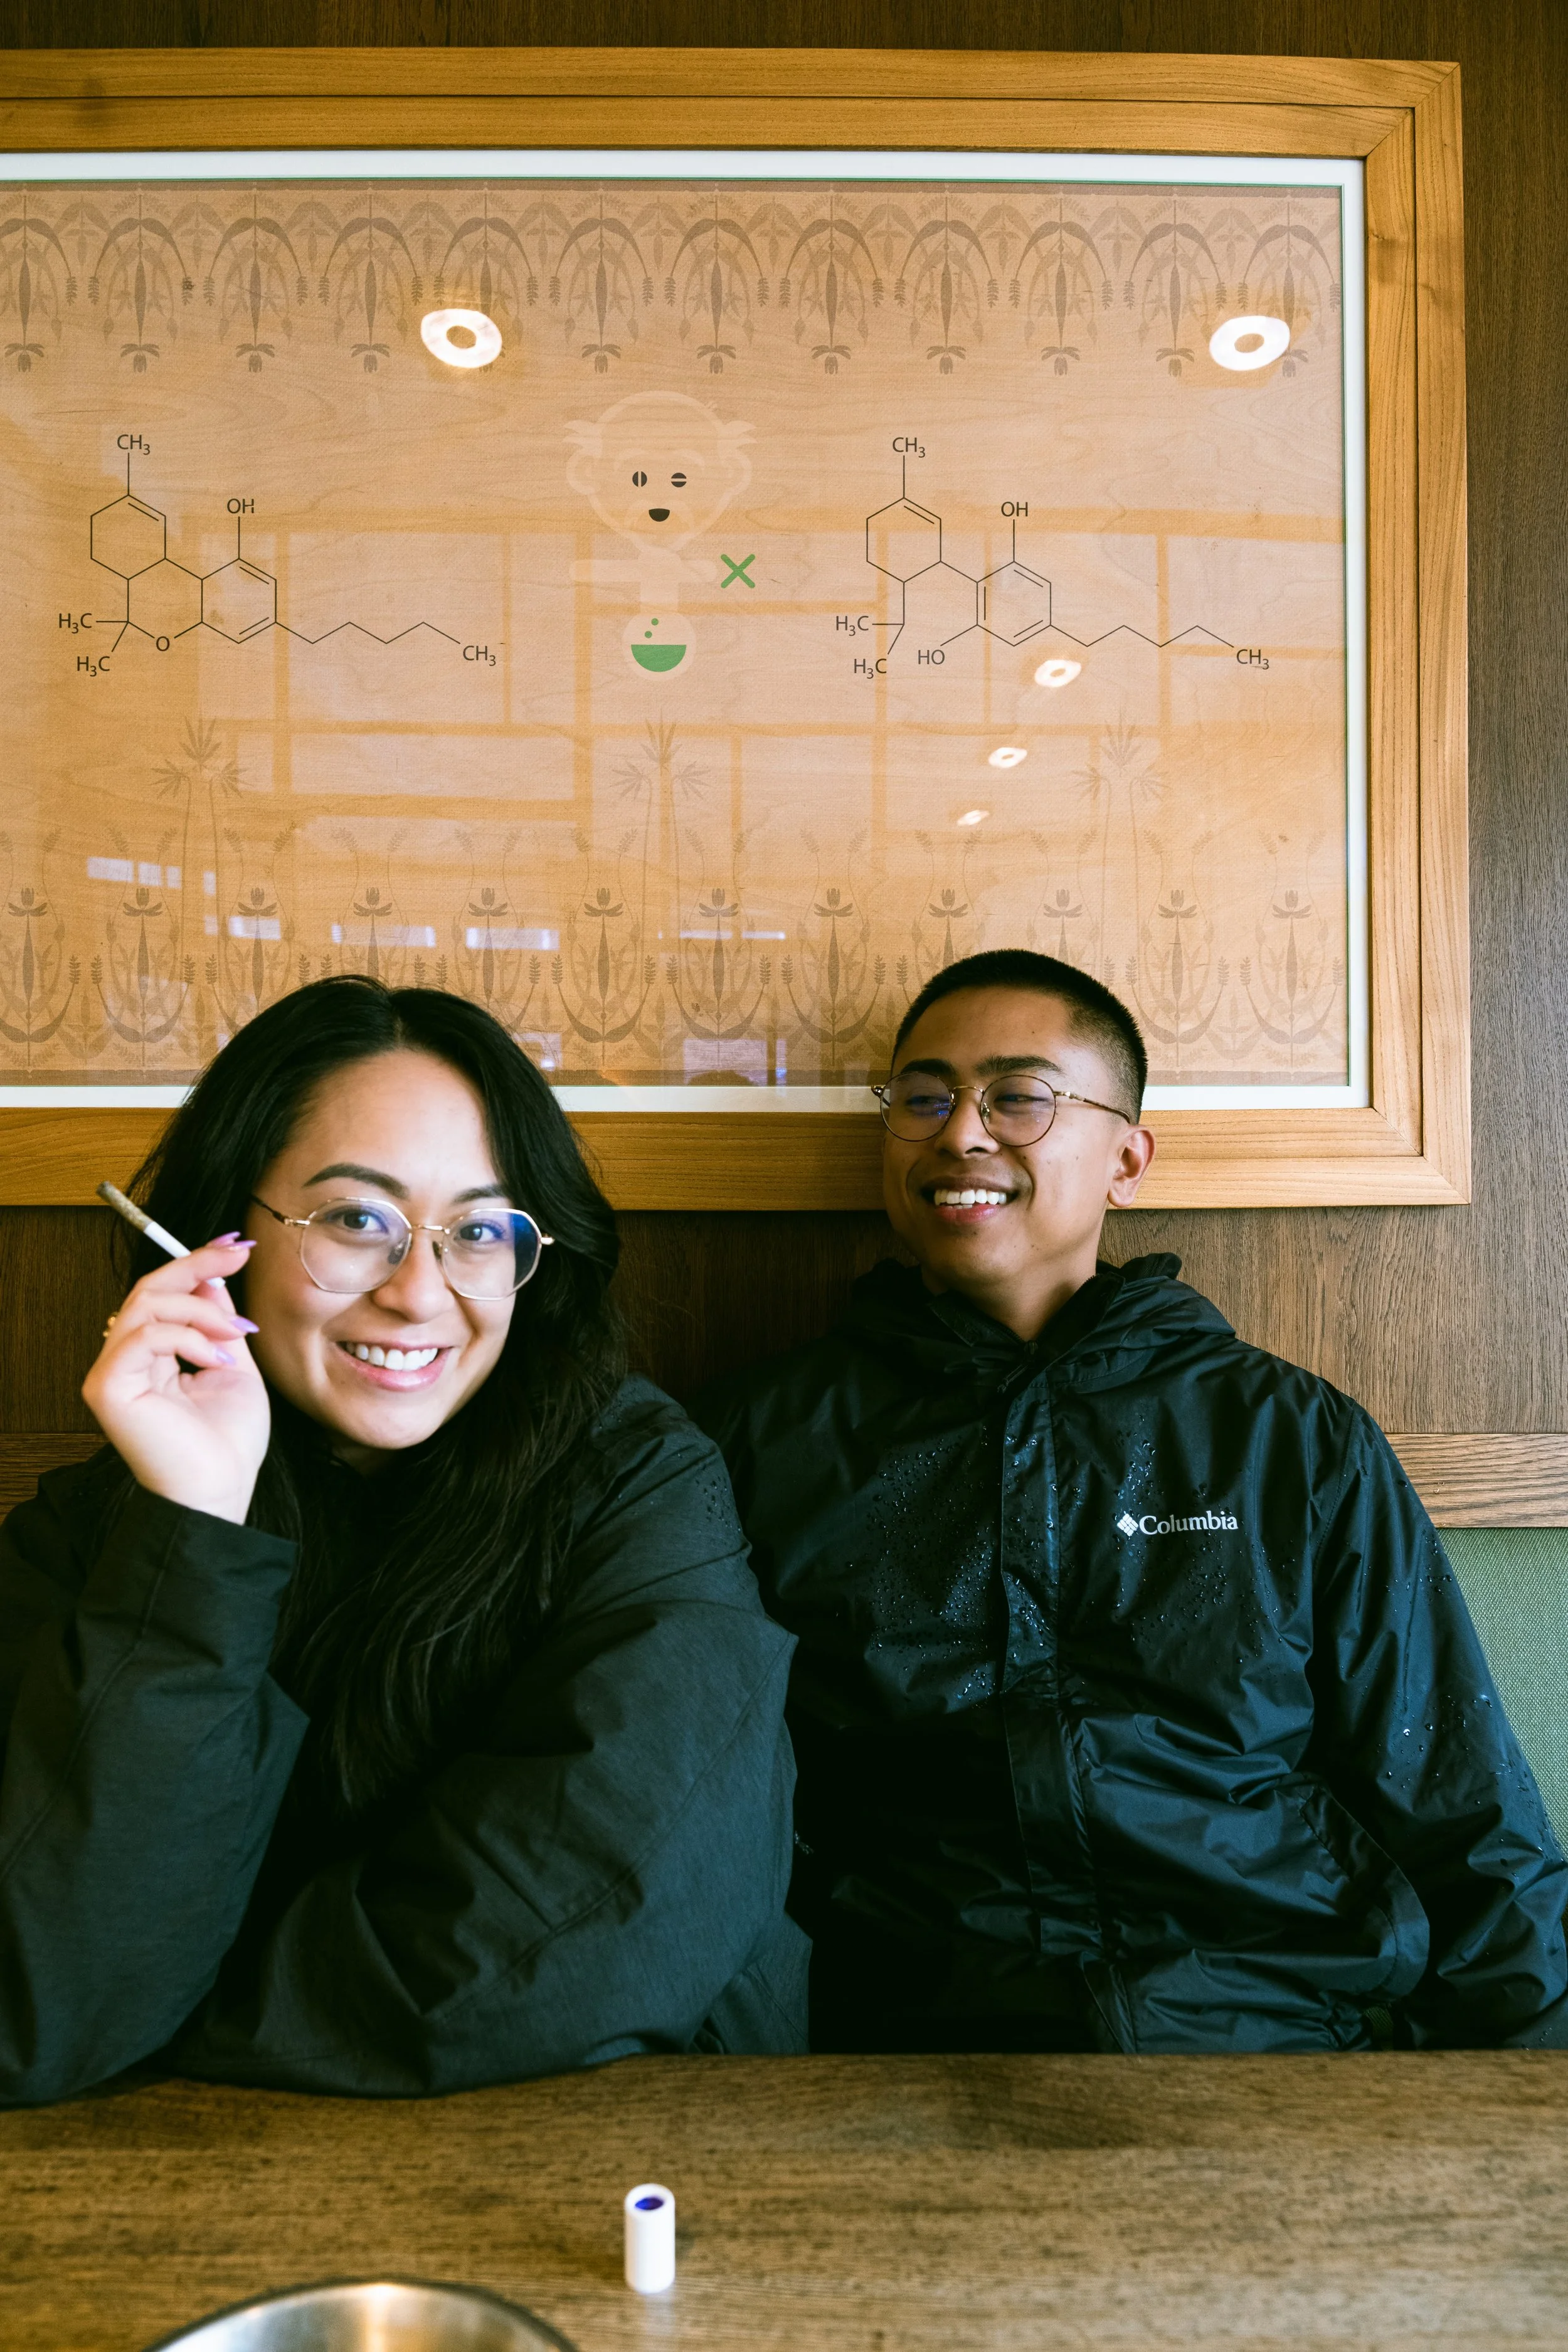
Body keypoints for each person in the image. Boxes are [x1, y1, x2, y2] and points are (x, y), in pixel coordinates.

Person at [695, 948, 1568, 2055]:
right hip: (899, 2045)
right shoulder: (754, 1442)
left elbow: (1459, 1799)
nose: (960, 1132)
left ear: (1127, 1158)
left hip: (1267, 2035)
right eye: (923, 1096)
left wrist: (1528, 2119)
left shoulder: (1287, 1438)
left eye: (1020, 1096)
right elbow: (692, 1812)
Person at [0, 977, 806, 2105]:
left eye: (478, 1230)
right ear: (217, 1237)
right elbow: (46, 2001)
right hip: (191, 2194)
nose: (422, 1293)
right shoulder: (98, 1529)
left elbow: (569, 1949)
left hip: (615, 2172)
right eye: (356, 1219)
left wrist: (170, 2014)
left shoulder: (638, 1482)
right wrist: (193, 1530)